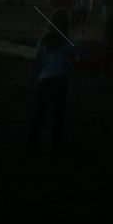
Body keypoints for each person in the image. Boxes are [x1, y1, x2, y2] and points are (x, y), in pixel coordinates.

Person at [28, 9, 75, 155]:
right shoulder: (67, 42)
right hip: (61, 80)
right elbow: (71, 63)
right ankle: (56, 145)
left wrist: (36, 77)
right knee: (58, 114)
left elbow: (38, 60)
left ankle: (32, 143)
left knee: (39, 113)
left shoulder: (44, 40)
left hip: (45, 79)